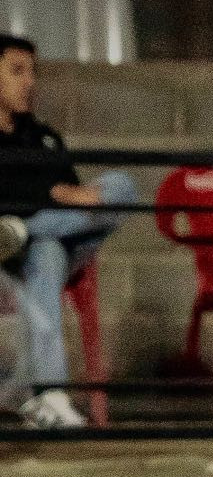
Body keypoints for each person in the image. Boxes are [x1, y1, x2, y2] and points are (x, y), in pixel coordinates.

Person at [0, 34, 140, 431]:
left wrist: (41, 204)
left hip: (50, 239)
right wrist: (52, 193)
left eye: (32, 72)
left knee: (122, 187)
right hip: (8, 264)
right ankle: (51, 395)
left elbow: (80, 199)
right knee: (46, 252)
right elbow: (61, 193)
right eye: (17, 71)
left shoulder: (44, 138)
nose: (29, 82)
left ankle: (20, 230)